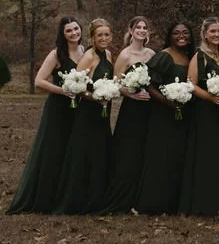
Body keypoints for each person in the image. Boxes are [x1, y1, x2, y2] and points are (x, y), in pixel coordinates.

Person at [7, 17, 85, 214]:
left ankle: (66, 196)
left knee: (70, 151)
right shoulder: (56, 54)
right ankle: (45, 198)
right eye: (69, 31)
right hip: (58, 108)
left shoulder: (84, 51)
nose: (74, 33)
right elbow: (39, 81)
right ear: (63, 34)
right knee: (54, 151)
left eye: (76, 29)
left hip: (78, 109)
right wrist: (62, 90)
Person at [54, 18, 115, 214]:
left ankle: (99, 197)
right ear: (92, 38)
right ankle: (78, 200)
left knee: (100, 152)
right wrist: (95, 97)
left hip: (104, 111)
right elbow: (77, 86)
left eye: (107, 34)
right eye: (100, 35)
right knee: (85, 154)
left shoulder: (108, 54)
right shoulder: (88, 57)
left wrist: (109, 93)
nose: (104, 38)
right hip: (88, 111)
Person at [136, 22, 195, 215]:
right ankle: (154, 203)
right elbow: (150, 85)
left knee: (178, 157)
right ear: (169, 36)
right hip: (163, 115)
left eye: (185, 32)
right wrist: (167, 102)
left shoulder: (189, 57)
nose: (181, 36)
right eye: (176, 33)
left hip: (183, 115)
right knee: (161, 157)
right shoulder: (164, 56)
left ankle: (173, 202)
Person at [99, 16, 156, 214]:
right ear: (131, 31)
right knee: (129, 151)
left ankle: (141, 197)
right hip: (132, 109)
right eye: (138, 27)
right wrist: (131, 93)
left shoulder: (151, 53)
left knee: (146, 150)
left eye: (145, 27)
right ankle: (121, 197)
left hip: (150, 107)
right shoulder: (125, 55)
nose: (142, 30)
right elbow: (116, 84)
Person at [179, 17, 219, 216]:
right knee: (207, 156)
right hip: (206, 112)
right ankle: (204, 202)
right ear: (205, 34)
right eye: (213, 31)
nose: (217, 35)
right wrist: (210, 97)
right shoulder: (200, 56)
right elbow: (191, 84)